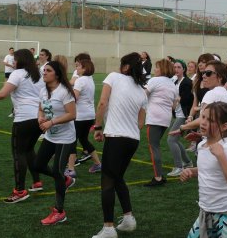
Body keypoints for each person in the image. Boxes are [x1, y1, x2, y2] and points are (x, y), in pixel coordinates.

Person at [91, 53, 148, 238]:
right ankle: (129, 218)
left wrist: (98, 126)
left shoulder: (114, 77)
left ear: (125, 67)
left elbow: (102, 103)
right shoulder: (141, 90)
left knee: (107, 181)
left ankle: (108, 228)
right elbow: (141, 122)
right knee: (117, 178)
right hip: (132, 139)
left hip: (116, 137)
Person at [0, 48, 45, 202]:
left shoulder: (18, 74)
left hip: (24, 118)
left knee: (18, 153)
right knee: (29, 150)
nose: (13, 61)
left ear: (21, 60)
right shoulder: (39, 74)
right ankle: (37, 181)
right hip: (38, 118)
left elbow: (2, 94)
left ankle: (20, 190)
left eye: (15, 59)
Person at [180, 102, 227, 238]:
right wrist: (191, 171)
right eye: (203, 117)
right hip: (206, 211)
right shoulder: (202, 144)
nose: (203, 122)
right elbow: (207, 169)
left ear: (224, 126)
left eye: (210, 120)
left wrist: (221, 156)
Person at [34, 61, 77, 225]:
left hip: (65, 138)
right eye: (43, 70)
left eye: (48, 70)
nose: (44, 73)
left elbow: (72, 114)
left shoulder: (64, 92)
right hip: (51, 137)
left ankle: (59, 211)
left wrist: (51, 122)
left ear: (57, 74)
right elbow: (40, 108)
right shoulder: (43, 90)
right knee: (38, 165)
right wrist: (40, 117)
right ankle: (65, 179)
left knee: (58, 172)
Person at [144, 58, 178, 187]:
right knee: (156, 145)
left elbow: (143, 95)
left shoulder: (154, 80)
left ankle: (158, 177)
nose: (155, 69)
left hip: (154, 117)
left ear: (162, 69)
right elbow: (174, 105)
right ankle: (159, 175)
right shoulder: (172, 84)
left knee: (154, 147)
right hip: (165, 118)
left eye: (157, 67)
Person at [65, 59, 101, 176]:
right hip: (90, 115)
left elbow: (74, 98)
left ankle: (70, 169)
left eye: (78, 66)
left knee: (71, 141)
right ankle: (98, 164)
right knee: (84, 140)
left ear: (84, 68)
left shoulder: (80, 81)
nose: (76, 69)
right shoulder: (90, 80)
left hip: (80, 116)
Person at [166, 60, 194, 177]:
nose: (176, 69)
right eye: (175, 67)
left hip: (183, 115)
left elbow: (187, 100)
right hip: (178, 114)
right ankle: (188, 162)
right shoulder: (176, 80)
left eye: (178, 67)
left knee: (171, 140)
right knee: (175, 140)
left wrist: (177, 100)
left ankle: (179, 167)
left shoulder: (186, 82)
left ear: (183, 69)